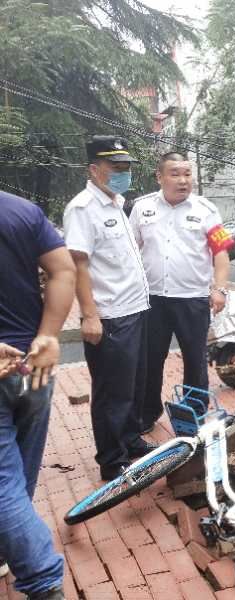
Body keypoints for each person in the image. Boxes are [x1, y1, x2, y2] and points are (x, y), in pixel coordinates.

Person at [63, 135, 156, 481]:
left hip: (135, 308)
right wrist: (89, 314)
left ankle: (131, 440)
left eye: (126, 167)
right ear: (94, 169)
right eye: (115, 167)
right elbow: (78, 264)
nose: (123, 173)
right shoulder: (83, 209)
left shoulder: (116, 203)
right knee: (112, 391)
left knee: (134, 385)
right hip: (110, 315)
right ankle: (112, 458)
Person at [0, 189, 76, 599]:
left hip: (16, 363)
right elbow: (64, 270)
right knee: (17, 474)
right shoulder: (21, 210)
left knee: (5, 481)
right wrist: (48, 334)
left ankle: (42, 579)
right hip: (34, 363)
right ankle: (10, 546)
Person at [129, 152, 234, 432]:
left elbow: (221, 253)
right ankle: (146, 414)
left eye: (187, 173)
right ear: (159, 176)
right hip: (152, 300)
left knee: (195, 358)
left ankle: (194, 414)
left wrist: (220, 288)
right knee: (151, 359)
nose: (183, 180)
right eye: (175, 173)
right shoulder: (141, 209)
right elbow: (131, 251)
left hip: (193, 299)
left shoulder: (206, 209)